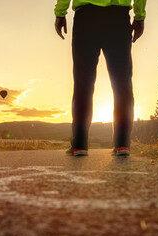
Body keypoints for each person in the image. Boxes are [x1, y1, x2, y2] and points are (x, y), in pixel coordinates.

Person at [54, 0, 147, 156]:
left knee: (83, 81)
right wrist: (139, 16)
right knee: (122, 82)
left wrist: (60, 13)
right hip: (118, 17)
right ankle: (122, 144)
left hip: (86, 17)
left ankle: (79, 145)